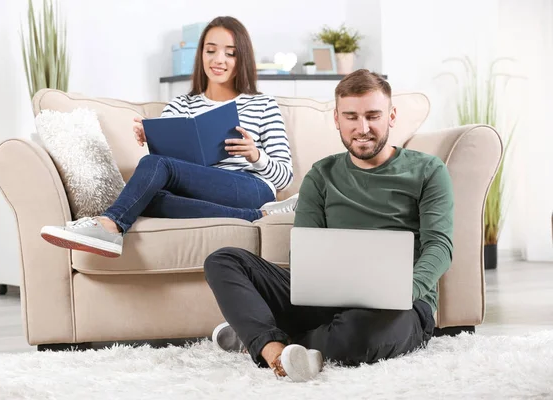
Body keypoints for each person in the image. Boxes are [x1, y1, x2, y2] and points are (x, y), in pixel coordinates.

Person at [204, 69, 454, 382]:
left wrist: (406, 291)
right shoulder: (321, 175)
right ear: (337, 119)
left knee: (357, 336)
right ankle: (271, 347)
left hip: (400, 304)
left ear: (391, 116)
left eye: (372, 116)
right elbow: (304, 255)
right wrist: (317, 282)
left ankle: (257, 336)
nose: (362, 128)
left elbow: (440, 247)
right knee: (224, 260)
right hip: (326, 300)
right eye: (351, 117)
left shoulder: (428, 171)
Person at [40, 16, 298, 258]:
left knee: (152, 170)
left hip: (250, 185)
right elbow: (167, 170)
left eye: (230, 53)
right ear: (201, 55)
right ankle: (257, 215)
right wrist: (152, 137)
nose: (219, 59)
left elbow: (285, 177)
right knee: (144, 198)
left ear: (241, 58)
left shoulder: (263, 105)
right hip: (199, 189)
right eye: (211, 50)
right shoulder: (180, 105)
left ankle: (109, 224)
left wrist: (255, 155)